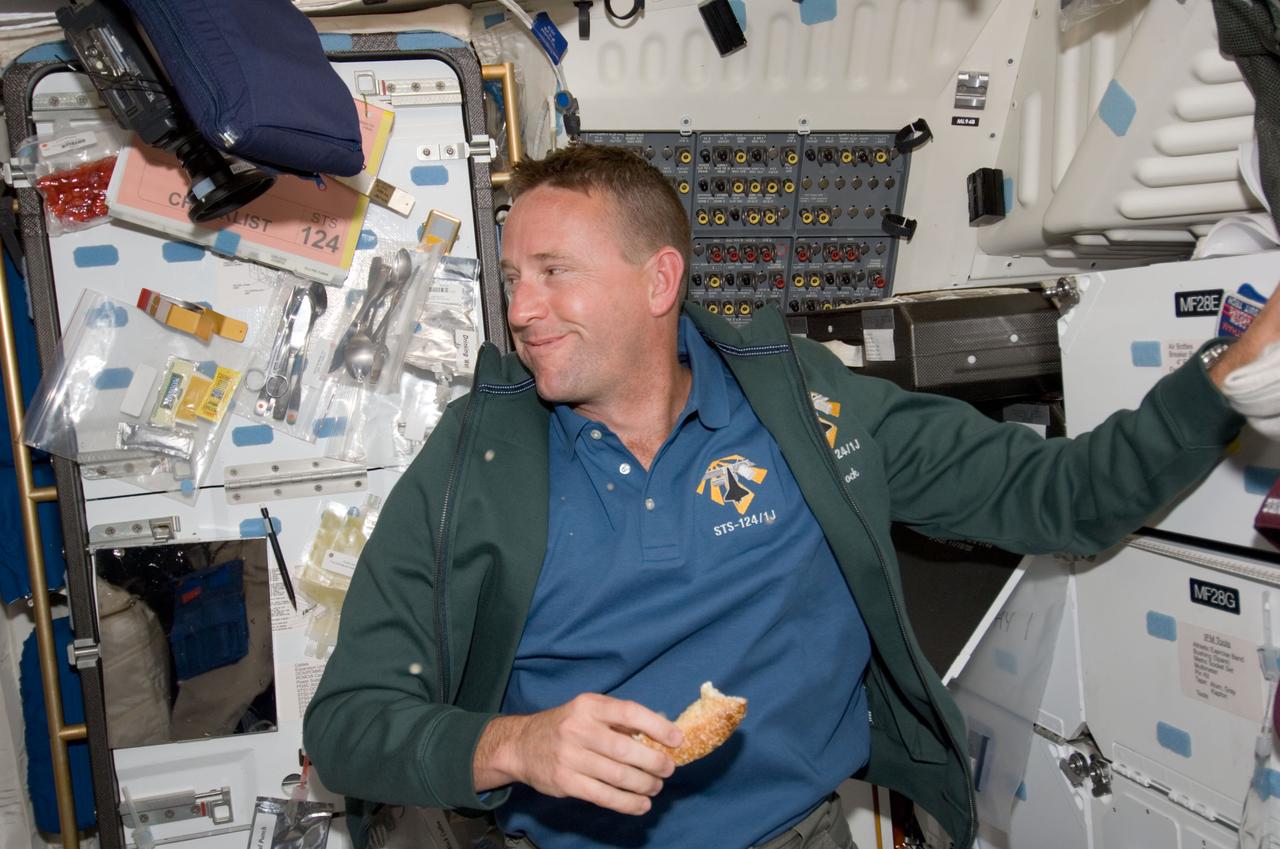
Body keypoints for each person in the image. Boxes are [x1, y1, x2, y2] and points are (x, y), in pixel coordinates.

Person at [303, 143, 1280, 849]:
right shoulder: (473, 458)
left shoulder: (811, 412)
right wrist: (514, 745)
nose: (520, 310)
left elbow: (1064, 496)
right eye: (514, 277)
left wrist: (1223, 377)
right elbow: (345, 727)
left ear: (659, 279)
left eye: (553, 273)